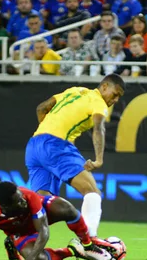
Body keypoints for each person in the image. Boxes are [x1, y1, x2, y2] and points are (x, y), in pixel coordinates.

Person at [25, 74, 125, 244]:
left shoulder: (74, 91)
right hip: (56, 145)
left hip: (34, 146)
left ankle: (19, 236)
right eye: (115, 94)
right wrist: (99, 159)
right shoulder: (98, 102)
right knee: (92, 191)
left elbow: (41, 108)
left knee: (42, 202)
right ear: (105, 86)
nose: (115, 99)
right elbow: (99, 128)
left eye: (119, 97)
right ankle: (89, 242)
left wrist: (45, 132)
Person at [0, 181, 112, 260]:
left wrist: (29, 259)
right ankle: (72, 250)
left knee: (67, 209)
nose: (23, 200)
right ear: (4, 206)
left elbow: (43, 230)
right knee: (40, 259)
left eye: (21, 196)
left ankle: (87, 244)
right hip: (19, 230)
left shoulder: (29, 197)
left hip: (40, 216)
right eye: (18, 201)